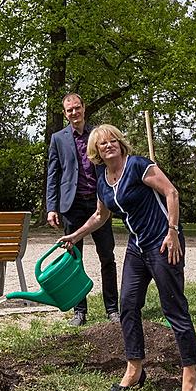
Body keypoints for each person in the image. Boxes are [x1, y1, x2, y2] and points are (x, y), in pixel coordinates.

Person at [58, 124, 196, 391]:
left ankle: (191, 374)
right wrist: (75, 235)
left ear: (121, 144)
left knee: (174, 307)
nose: (108, 145)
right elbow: (100, 216)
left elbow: (171, 192)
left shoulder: (138, 165)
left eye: (113, 141)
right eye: (102, 143)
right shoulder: (103, 180)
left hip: (163, 244)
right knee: (127, 305)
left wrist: (173, 231)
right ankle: (135, 368)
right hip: (137, 248)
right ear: (96, 151)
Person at [46, 94, 119, 326]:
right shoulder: (58, 138)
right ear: (65, 114)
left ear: (84, 109)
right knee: (73, 259)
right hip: (71, 205)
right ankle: (80, 311)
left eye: (77, 108)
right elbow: (53, 174)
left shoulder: (99, 135)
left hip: (99, 202)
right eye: (70, 110)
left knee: (107, 257)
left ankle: (112, 309)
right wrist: (52, 207)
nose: (74, 113)